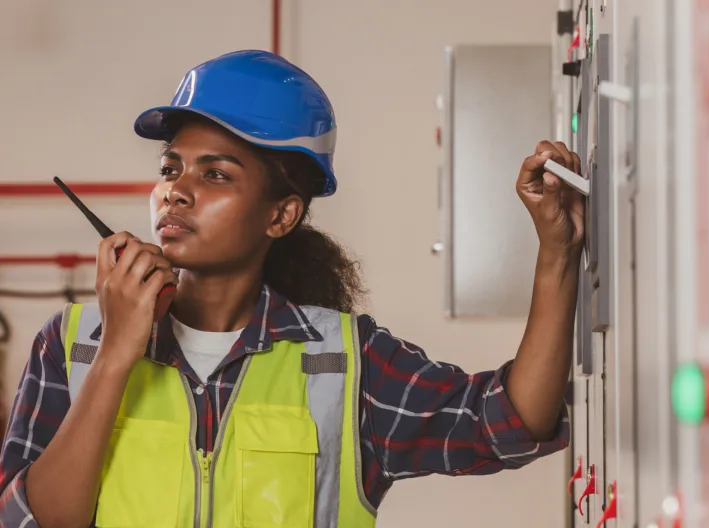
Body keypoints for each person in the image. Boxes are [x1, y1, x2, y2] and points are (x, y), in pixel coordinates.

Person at [0, 50, 584, 527]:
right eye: (170, 168)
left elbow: (511, 420)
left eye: (216, 174)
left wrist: (557, 253)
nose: (176, 191)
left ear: (281, 216)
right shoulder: (71, 346)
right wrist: (116, 354)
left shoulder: (347, 364)